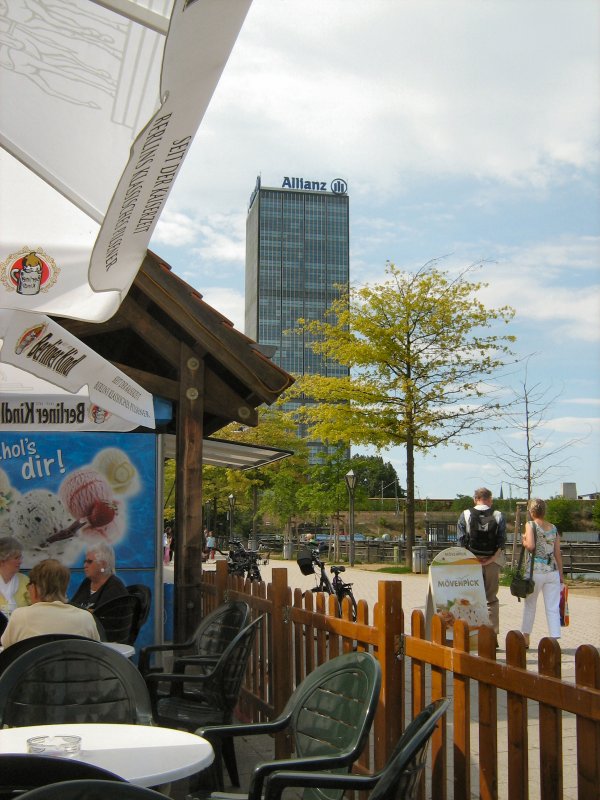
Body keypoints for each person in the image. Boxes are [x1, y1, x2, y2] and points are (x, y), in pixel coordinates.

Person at [1, 559, 100, 647]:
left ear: (35, 588)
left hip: (33, 667)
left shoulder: (20, 616)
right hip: (73, 667)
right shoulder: (86, 618)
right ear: (65, 587)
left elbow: (7, 648)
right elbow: (97, 652)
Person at [457, 487, 506, 640]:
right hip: (492, 561)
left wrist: (473, 560)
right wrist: (491, 560)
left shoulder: (465, 514)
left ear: (475, 499)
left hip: (472, 562)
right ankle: (492, 637)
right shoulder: (498, 515)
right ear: (490, 499)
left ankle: (472, 636)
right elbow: (502, 542)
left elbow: (461, 542)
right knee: (491, 599)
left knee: (470, 599)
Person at [520, 498, 563, 647]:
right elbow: (557, 553)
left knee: (530, 604)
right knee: (552, 606)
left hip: (536, 570)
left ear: (532, 512)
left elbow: (531, 546)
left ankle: (526, 637)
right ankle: (555, 638)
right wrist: (561, 575)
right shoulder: (553, 528)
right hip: (552, 571)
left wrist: (524, 541)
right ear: (544, 511)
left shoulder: (530, 524)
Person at [70, 541, 128, 610]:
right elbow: (72, 607)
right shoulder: (87, 582)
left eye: (89, 562)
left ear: (103, 564)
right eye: (84, 561)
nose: (85, 565)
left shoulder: (115, 588)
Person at [0, 536, 30, 616]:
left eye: (20, 557)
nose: (20, 561)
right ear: (3, 560)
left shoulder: (24, 580)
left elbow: (35, 605)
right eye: (16, 558)